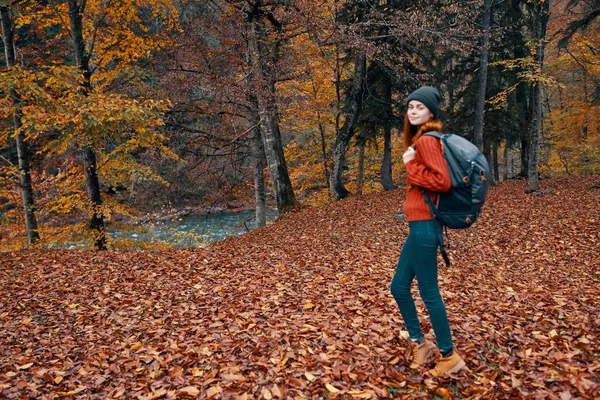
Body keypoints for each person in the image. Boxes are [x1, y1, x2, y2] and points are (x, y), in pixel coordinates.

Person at [390, 86, 466, 377]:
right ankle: (420, 344)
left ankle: (448, 355)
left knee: (429, 293)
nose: (413, 111)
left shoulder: (427, 142)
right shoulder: (421, 140)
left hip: (424, 226)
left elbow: (442, 181)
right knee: (398, 287)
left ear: (431, 112)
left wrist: (410, 164)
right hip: (418, 225)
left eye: (420, 107)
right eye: (410, 106)